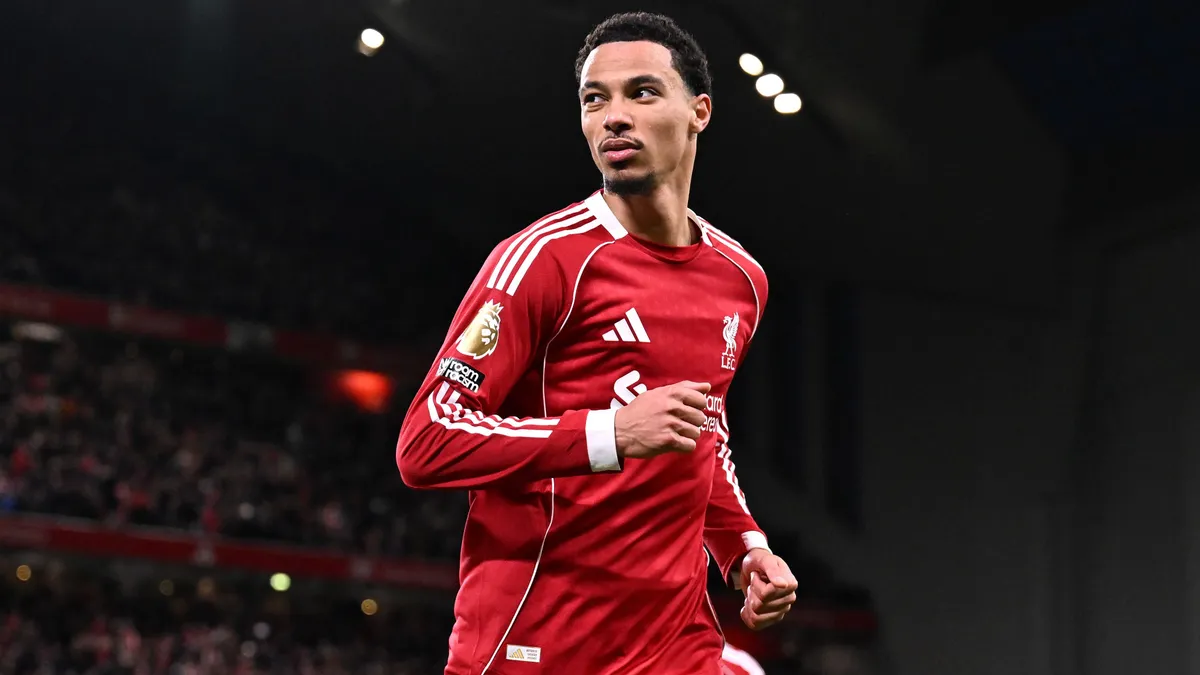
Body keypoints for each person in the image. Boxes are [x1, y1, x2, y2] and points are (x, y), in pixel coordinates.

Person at [396, 11, 797, 674]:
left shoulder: (741, 279)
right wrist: (610, 433)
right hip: (541, 641)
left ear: (699, 112)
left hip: (675, 643)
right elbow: (427, 440)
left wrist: (744, 546)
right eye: (594, 99)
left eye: (642, 93)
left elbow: (705, 428)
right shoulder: (541, 260)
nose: (614, 117)